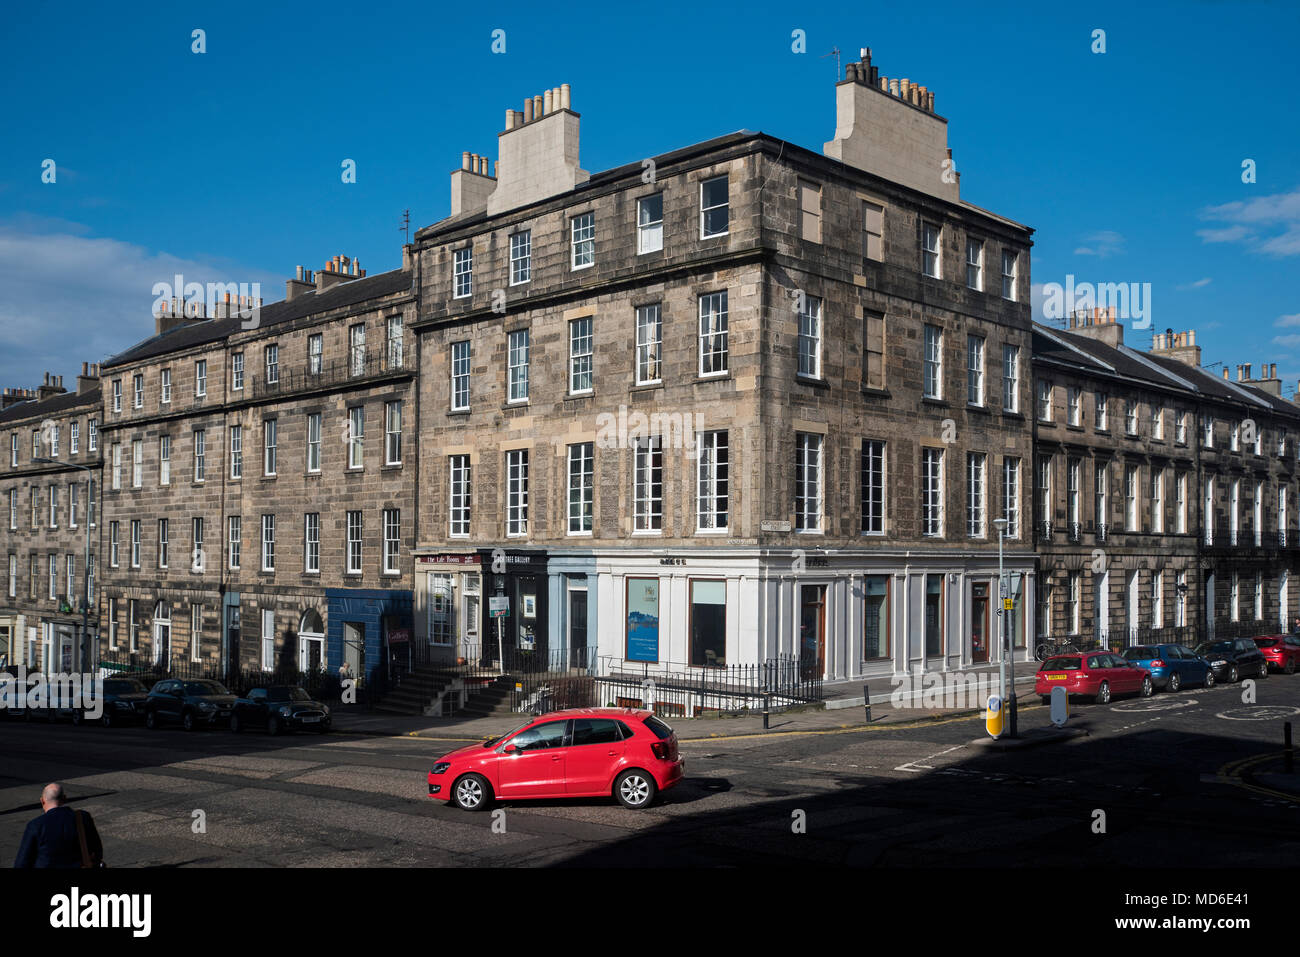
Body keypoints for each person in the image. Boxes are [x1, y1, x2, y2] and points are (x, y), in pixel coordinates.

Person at [13, 783, 103, 868]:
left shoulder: (36, 825)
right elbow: (97, 850)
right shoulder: (83, 817)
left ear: (42, 801)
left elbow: (22, 863)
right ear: (64, 798)